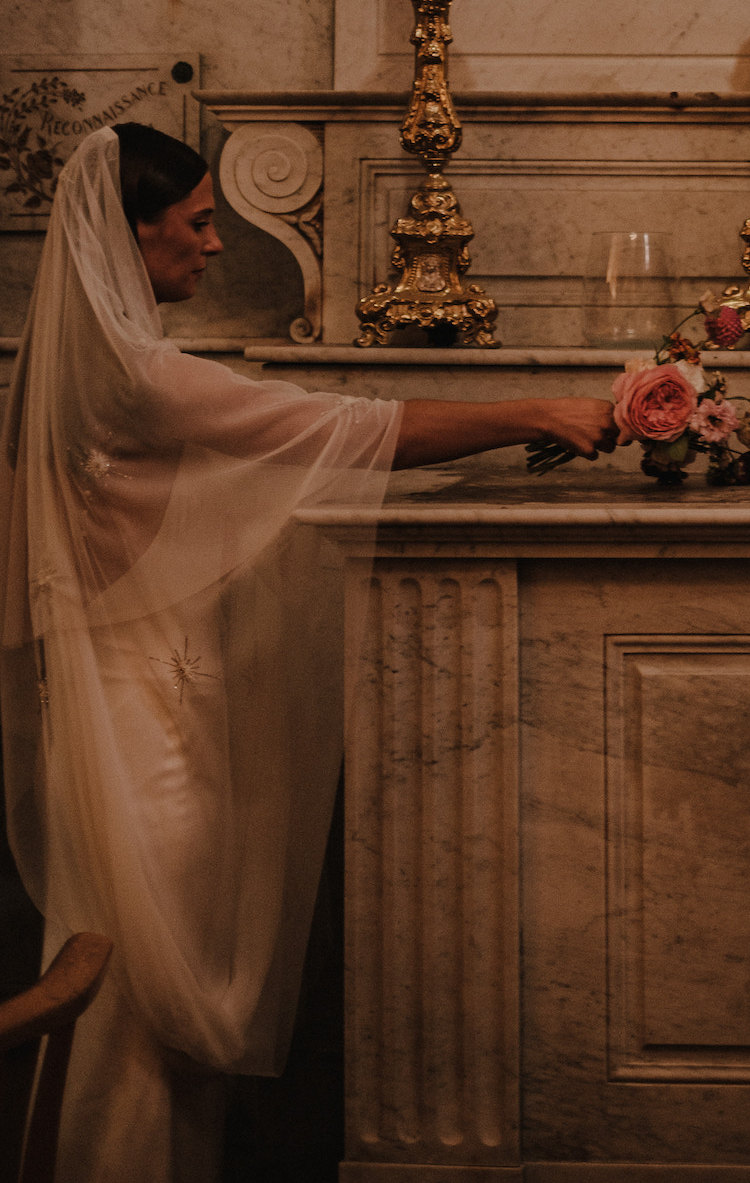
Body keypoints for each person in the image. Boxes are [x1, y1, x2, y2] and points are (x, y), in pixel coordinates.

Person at [0, 123, 612, 1183]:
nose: (216, 245)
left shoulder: (83, 371)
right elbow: (362, 428)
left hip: (119, 719)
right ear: (133, 233)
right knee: (139, 1001)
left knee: (124, 987)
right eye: (197, 224)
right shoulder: (143, 378)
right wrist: (543, 409)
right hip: (145, 751)